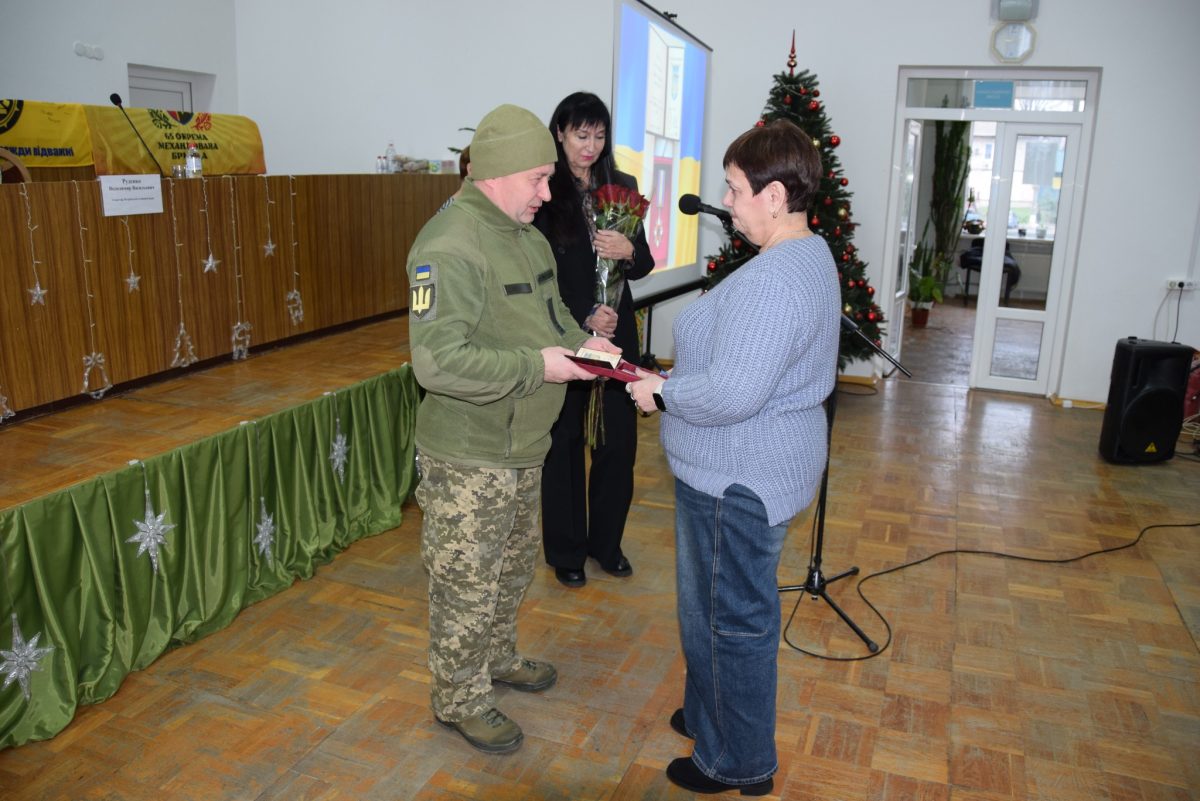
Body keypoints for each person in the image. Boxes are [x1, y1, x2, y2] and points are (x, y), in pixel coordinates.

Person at [627, 120, 840, 795]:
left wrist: (662, 391)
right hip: (751, 464)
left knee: (730, 619)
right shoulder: (809, 253)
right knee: (711, 608)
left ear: (776, 196)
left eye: (735, 188)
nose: (727, 199)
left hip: (738, 474)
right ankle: (708, 714)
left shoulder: (777, 278)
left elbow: (732, 391)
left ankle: (737, 760)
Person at [406, 103, 621, 754]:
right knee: (466, 582)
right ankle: (459, 696)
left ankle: (496, 658)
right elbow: (436, 360)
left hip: (523, 445)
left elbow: (552, 320)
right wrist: (539, 366)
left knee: (509, 568)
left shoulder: (527, 237)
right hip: (468, 454)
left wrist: (587, 349)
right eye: (536, 178)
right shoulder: (445, 246)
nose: (547, 192)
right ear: (495, 173)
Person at [533, 92, 654, 588]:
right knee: (564, 443)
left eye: (599, 135)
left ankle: (607, 544)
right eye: (581, 134)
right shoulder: (545, 189)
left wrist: (629, 250)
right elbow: (540, 269)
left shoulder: (620, 186)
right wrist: (583, 316)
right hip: (566, 330)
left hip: (618, 335)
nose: (590, 145)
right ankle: (566, 551)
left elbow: (643, 264)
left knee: (617, 444)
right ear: (559, 132)